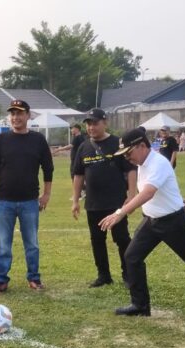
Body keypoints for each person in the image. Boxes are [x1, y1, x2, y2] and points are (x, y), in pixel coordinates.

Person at [99, 127, 185, 318]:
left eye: (128, 153)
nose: (127, 158)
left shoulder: (158, 163)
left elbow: (149, 192)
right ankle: (140, 305)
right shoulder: (142, 164)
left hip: (172, 223)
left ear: (142, 146)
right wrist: (178, 198)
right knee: (132, 257)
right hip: (151, 220)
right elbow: (159, 187)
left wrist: (120, 213)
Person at [0, 99, 54, 294]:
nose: (16, 117)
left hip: (29, 201)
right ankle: (1, 280)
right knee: (3, 244)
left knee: (31, 243)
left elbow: (48, 169)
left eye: (20, 113)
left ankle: (34, 278)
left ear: (28, 116)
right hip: (4, 201)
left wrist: (46, 194)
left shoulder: (38, 140)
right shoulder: (2, 140)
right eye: (12, 114)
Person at [71, 108, 136, 288]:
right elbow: (78, 175)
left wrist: (131, 195)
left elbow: (131, 170)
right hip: (93, 204)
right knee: (97, 241)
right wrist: (75, 200)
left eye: (95, 123)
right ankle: (103, 275)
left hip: (116, 203)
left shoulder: (117, 143)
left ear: (105, 123)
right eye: (89, 124)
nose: (91, 127)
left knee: (122, 239)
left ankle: (128, 274)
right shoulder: (83, 147)